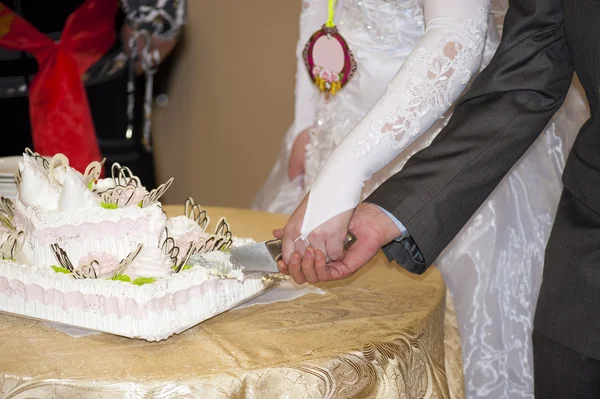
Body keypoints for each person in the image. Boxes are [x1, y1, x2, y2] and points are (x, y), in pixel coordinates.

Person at [275, 0, 592, 398]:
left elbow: (456, 36)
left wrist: (342, 177)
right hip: (350, 121)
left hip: (459, 140)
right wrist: (309, 120)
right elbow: (319, 7)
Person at [0, 0, 185, 188]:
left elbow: (156, 24)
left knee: (124, 208)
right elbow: (158, 23)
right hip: (100, 92)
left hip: (98, 104)